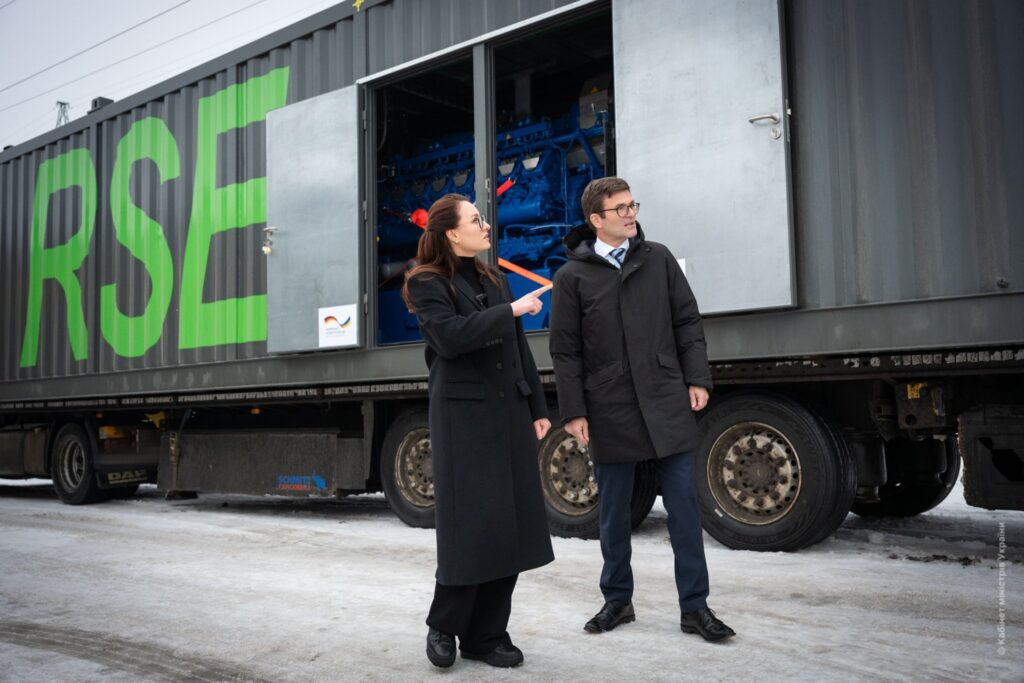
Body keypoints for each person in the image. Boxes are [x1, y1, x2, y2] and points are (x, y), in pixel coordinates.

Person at [548, 177, 735, 642]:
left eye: (632, 205)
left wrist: (697, 378)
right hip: (609, 405)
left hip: (665, 397)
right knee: (613, 513)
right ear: (596, 219)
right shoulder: (572, 277)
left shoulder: (659, 259)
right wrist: (573, 410)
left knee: (685, 510)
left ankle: (695, 607)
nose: (631, 214)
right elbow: (565, 352)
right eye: (620, 209)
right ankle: (617, 600)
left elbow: (687, 321)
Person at [402, 193, 556, 669]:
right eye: (476, 219)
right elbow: (449, 338)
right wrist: (508, 312)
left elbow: (518, 349)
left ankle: (488, 635)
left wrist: (536, 403)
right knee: (470, 527)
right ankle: (444, 625)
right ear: (451, 232)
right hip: (463, 419)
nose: (486, 224)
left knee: (509, 526)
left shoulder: (492, 277)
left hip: (508, 411)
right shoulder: (427, 282)